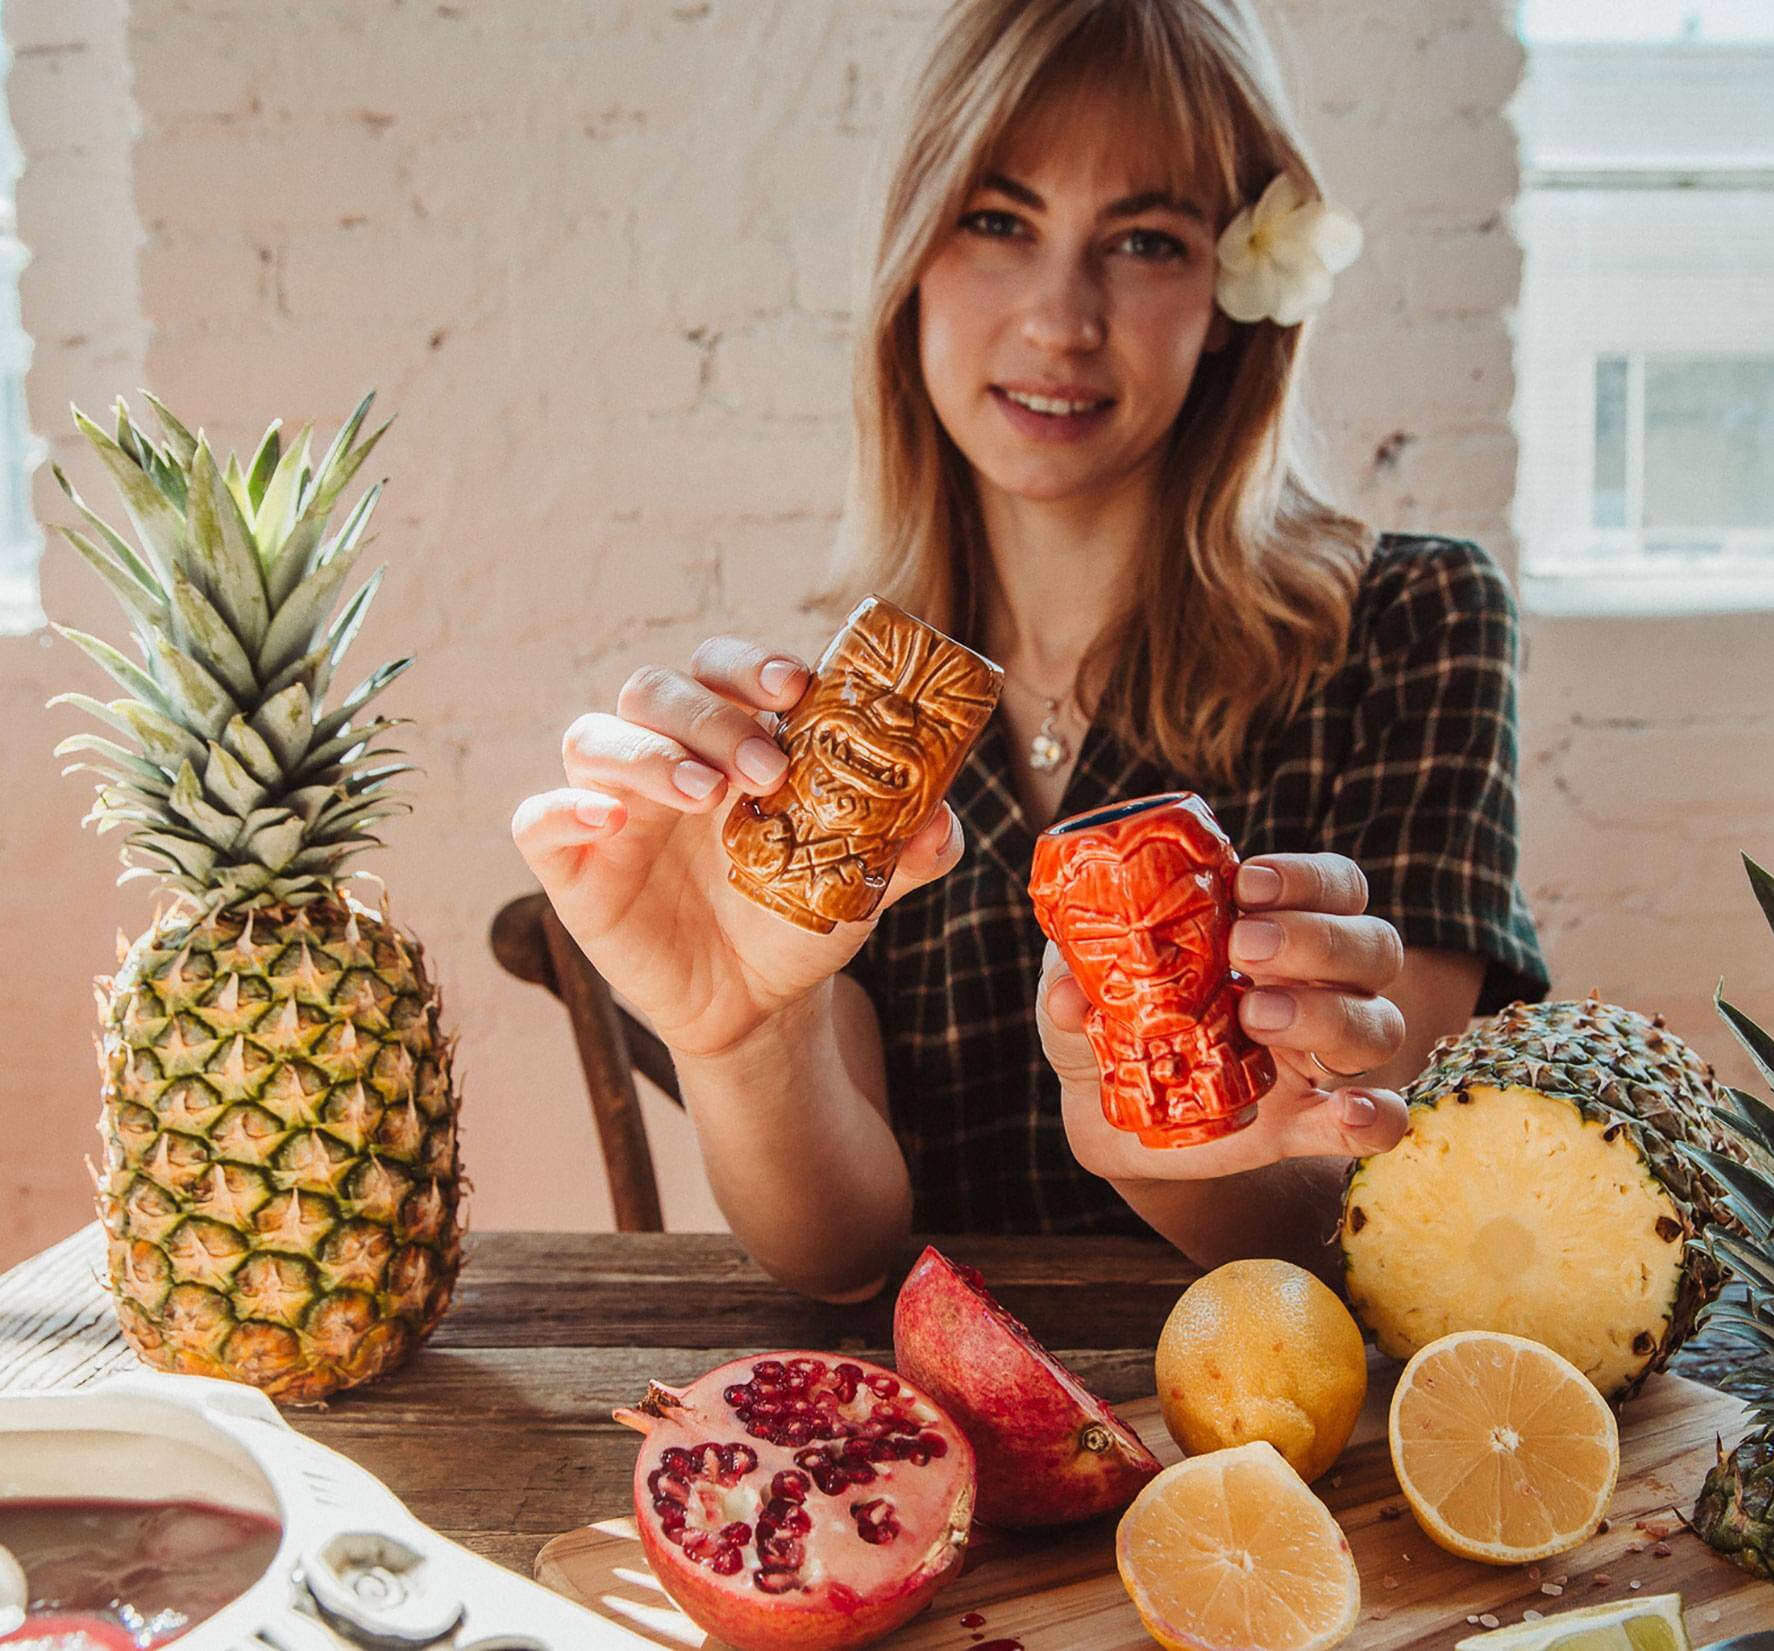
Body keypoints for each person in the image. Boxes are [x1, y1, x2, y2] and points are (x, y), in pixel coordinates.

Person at [511, 0, 1548, 1302]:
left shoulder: (1415, 625)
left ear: (1233, 297)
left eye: (1146, 241)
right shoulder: (849, 734)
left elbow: (1387, 1212)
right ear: (914, 257)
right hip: (940, 1414)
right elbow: (842, 1251)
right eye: (999, 223)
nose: (1061, 320)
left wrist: (1179, 1162)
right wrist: (743, 1036)